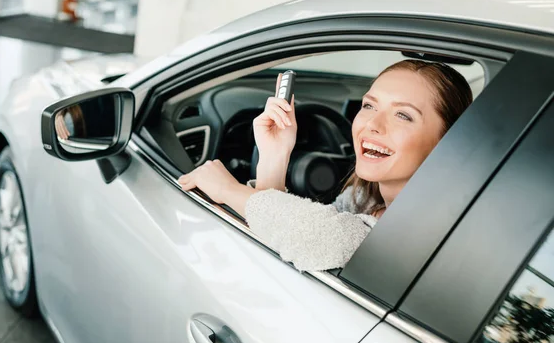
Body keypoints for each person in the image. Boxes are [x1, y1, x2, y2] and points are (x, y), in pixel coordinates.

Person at [178, 60, 473, 272]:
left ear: (445, 141)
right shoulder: (363, 199)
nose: (372, 124)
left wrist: (229, 190)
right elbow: (282, 233)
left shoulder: (426, 233)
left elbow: (328, 240)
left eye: (403, 116)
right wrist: (274, 155)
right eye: (369, 106)